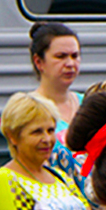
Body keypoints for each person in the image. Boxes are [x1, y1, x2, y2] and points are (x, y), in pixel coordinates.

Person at [0, 93, 100, 210]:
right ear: (13, 136)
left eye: (50, 130)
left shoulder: (59, 175)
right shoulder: (5, 180)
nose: (47, 139)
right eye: (37, 132)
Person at [27, 22, 82, 150]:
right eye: (60, 56)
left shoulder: (86, 103)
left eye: (75, 56)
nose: (70, 63)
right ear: (39, 62)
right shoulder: (28, 109)